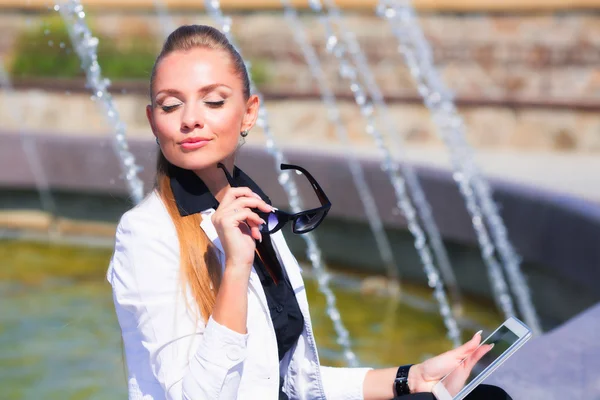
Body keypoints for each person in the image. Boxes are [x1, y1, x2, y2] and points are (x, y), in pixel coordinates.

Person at [107, 24, 512, 400]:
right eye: (170, 105)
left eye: (213, 101)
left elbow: (289, 380)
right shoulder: (146, 233)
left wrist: (412, 377)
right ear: (152, 121)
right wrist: (235, 268)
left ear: (248, 113)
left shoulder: (251, 207)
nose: (191, 119)